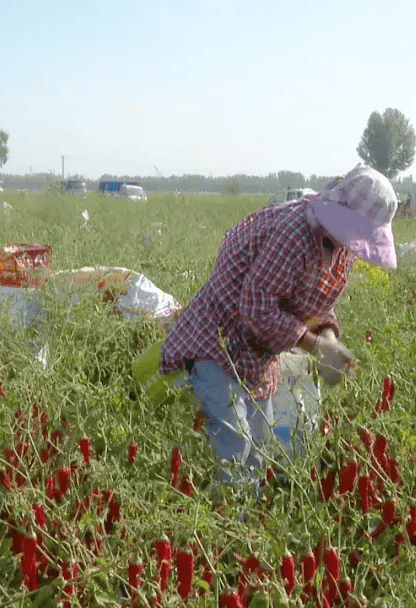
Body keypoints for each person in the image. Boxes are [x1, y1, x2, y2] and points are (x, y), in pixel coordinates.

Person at [159, 165, 399, 492]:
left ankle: (248, 521)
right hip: (219, 341)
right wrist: (314, 345)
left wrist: (328, 337)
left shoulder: (341, 248)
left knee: (260, 444)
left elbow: (319, 303)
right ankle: (229, 521)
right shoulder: (295, 233)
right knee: (236, 440)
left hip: (262, 355)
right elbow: (257, 307)